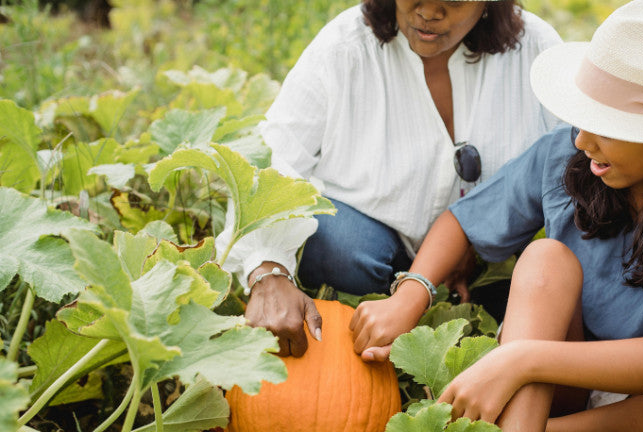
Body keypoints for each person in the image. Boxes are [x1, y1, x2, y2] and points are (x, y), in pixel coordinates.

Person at [350, 0, 643, 432]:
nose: (583, 141)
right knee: (546, 258)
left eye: (607, 125)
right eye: (584, 118)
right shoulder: (568, 154)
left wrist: (520, 360)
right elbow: (462, 221)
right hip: (559, 369)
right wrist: (412, 294)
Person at [214, 0, 563, 357]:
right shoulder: (344, 47)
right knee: (334, 244)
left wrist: (474, 239)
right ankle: (387, 312)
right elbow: (275, 156)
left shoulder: (536, 51)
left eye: (453, 1)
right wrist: (267, 270)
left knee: (533, 276)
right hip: (370, 251)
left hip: (484, 262)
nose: (428, 12)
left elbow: (572, 168)